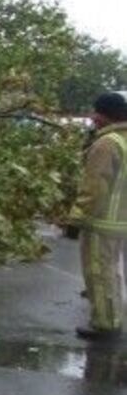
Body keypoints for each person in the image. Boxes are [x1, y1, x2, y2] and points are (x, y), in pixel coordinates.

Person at [68, 91, 127, 341]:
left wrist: (76, 218)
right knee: (112, 270)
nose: (93, 117)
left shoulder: (106, 144)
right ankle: (112, 317)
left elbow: (94, 187)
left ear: (104, 115)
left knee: (100, 273)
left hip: (103, 222)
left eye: (96, 112)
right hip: (122, 221)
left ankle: (106, 325)